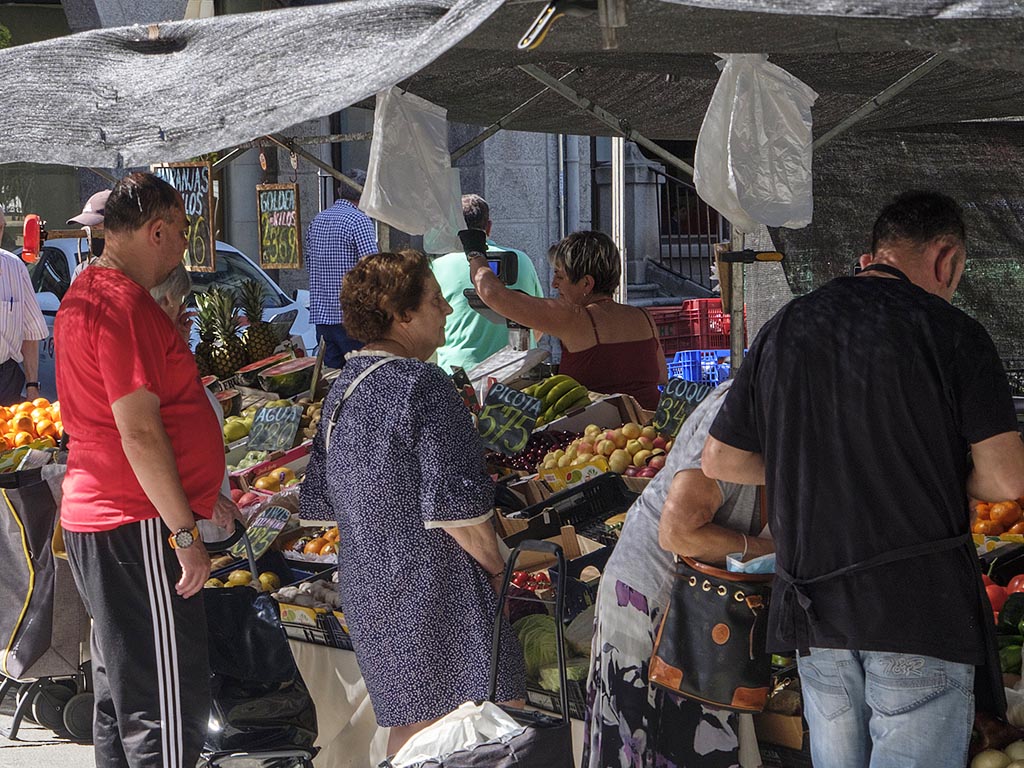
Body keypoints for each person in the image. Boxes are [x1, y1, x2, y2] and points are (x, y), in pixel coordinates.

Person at [702, 190, 1024, 768]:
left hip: (815, 612)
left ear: (872, 255)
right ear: (946, 259)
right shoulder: (953, 334)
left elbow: (721, 460)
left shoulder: (786, 326)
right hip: (916, 613)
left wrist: (817, 462)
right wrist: (929, 468)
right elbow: (1006, 478)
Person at [300, 250, 525, 754]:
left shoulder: (343, 388)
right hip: (432, 587)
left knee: (412, 725)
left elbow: (322, 501)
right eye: (435, 301)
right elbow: (456, 508)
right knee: (475, 725)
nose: (447, 311)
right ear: (401, 315)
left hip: (369, 584)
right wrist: (497, 567)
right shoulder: (422, 384)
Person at [55, 172, 232, 768]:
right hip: (135, 523)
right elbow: (138, 429)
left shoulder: (89, 292)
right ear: (156, 231)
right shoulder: (121, 303)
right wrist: (184, 533)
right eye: (181, 232)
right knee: (164, 707)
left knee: (124, 697)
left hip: (107, 516)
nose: (184, 245)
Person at [583, 380, 772, 768]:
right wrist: (773, 553)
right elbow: (678, 532)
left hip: (708, 605)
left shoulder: (793, 408)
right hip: (655, 602)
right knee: (640, 744)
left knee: (699, 744)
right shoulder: (738, 412)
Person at [469, 230, 668, 409]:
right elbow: (660, 376)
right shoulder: (644, 317)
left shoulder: (574, 318)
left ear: (586, 283)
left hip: (601, 438)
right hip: (650, 430)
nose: (554, 284)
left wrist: (474, 251)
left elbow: (494, 294)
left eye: (559, 276)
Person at [150, 263, 243, 534]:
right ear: (167, 299)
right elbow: (153, 439)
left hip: (203, 509)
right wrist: (199, 498)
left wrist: (178, 341)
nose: (180, 310)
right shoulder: (148, 359)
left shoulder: (165, 349)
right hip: (186, 519)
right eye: (178, 301)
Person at [431, 194, 544, 373]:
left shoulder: (437, 267)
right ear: (488, 227)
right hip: (516, 374)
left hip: (459, 375)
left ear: (452, 228)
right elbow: (539, 325)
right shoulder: (522, 260)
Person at [305, 170, 378, 368]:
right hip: (352, 318)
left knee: (333, 381)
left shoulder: (317, 221)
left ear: (339, 190)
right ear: (363, 194)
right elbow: (372, 269)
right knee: (361, 377)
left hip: (323, 317)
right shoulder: (359, 221)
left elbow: (310, 263)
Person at [0, 204, 49, 405]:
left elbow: (31, 332)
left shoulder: (14, 267)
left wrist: (32, 386)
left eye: (0, 227)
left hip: (6, 379)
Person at [68, 189, 111, 280]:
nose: (90, 234)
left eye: (95, 228)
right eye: (87, 227)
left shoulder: (141, 270)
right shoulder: (83, 272)